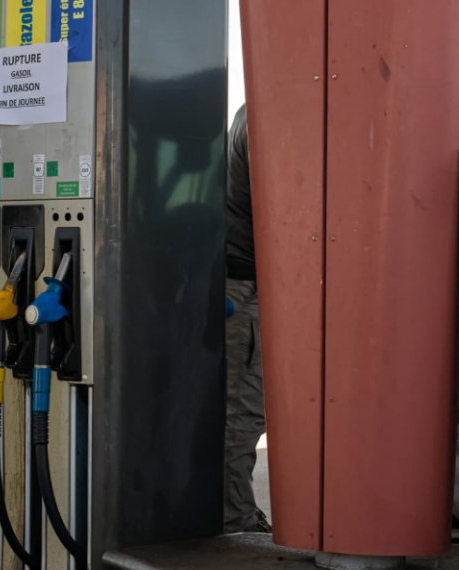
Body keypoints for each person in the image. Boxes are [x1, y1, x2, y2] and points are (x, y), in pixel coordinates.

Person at [224, 103, 271, 533]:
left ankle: (235, 514)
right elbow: (279, 206)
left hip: (247, 282)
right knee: (243, 408)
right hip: (244, 285)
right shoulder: (266, 115)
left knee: (244, 407)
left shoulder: (255, 110)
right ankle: (233, 522)